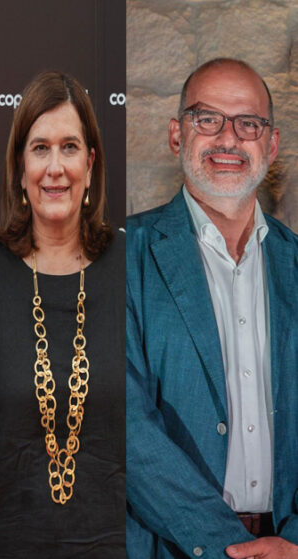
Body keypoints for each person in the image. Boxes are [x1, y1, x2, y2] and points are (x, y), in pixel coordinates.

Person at [127, 58, 298, 559]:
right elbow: (125, 425)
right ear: (176, 135)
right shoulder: (121, 256)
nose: (228, 138)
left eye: (248, 123)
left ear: (271, 144)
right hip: (168, 545)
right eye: (207, 119)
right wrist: (230, 546)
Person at [0, 71, 124, 557]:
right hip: (5, 542)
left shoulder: (133, 267)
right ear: (20, 167)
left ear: (91, 164)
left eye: (69, 147)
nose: (55, 168)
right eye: (40, 149)